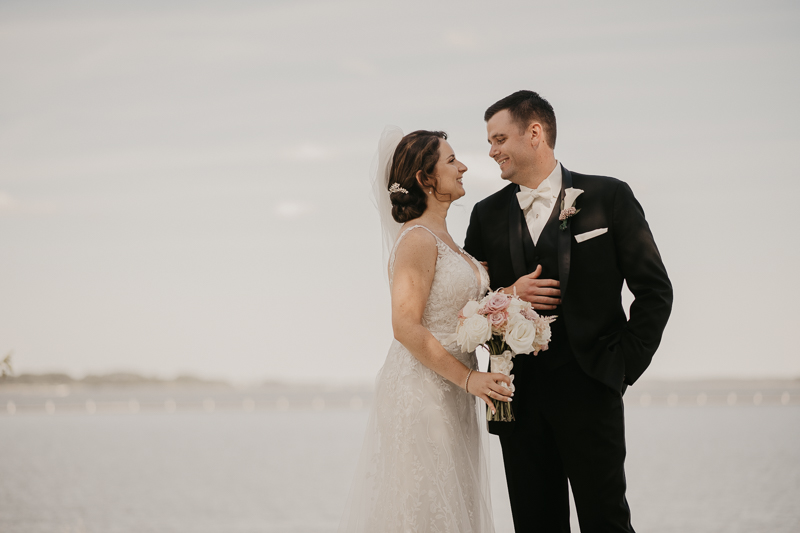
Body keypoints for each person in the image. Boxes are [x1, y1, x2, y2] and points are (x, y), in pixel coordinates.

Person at [464, 91, 673, 532]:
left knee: (607, 521)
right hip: (517, 401)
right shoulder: (486, 215)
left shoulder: (609, 196)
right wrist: (509, 292)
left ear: (534, 133)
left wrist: (620, 368)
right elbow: (466, 308)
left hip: (592, 390)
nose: (491, 150)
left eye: (500, 138)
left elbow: (655, 291)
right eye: (489, 141)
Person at [338, 128, 512, 533]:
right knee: (423, 508)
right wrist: (470, 379)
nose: (464, 166)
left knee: (454, 506)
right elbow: (405, 326)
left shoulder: (448, 240)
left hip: (453, 392)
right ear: (425, 179)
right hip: (424, 393)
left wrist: (508, 304)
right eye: (452, 161)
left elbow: (459, 315)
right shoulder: (417, 239)